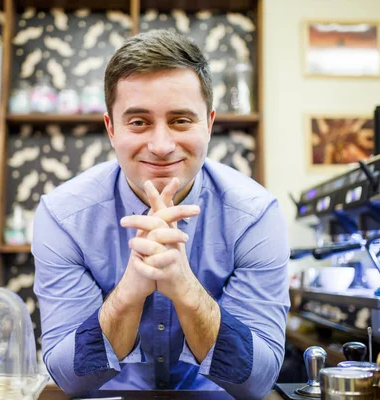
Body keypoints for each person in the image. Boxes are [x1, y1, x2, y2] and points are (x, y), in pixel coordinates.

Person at [32, 29, 290, 400]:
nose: (162, 145)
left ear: (209, 124)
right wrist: (129, 292)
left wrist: (183, 287)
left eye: (181, 120)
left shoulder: (255, 216)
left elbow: (258, 382)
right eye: (138, 122)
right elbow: (69, 379)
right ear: (111, 128)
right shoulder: (63, 216)